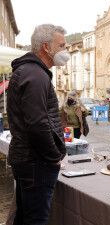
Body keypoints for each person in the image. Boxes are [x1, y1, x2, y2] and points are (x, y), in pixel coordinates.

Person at [7, 24, 70, 225]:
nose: (65, 50)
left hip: (29, 160)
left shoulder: (31, 71)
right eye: (61, 45)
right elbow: (37, 124)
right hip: (36, 162)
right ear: (46, 47)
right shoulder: (35, 74)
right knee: (36, 220)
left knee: (26, 217)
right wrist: (54, 157)